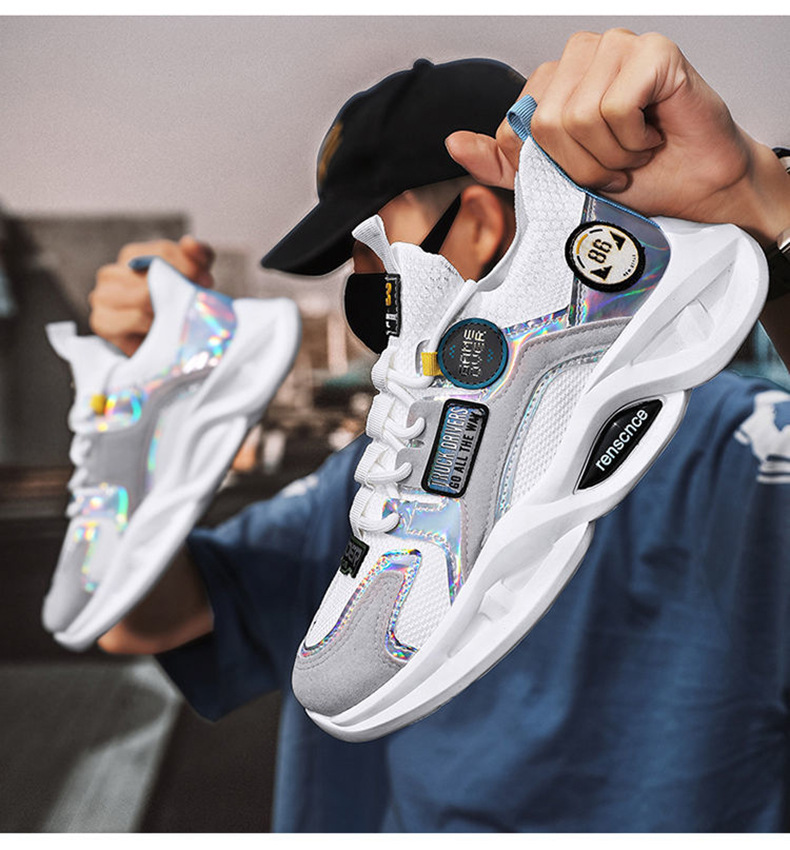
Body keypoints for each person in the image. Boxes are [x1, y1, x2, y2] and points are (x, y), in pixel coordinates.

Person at [89, 30, 790, 831]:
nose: (366, 302)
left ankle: (570, 321)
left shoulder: (739, 450)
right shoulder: (367, 480)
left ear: (482, 226)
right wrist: (143, 416)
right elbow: (147, 619)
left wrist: (770, 205)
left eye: (373, 269)